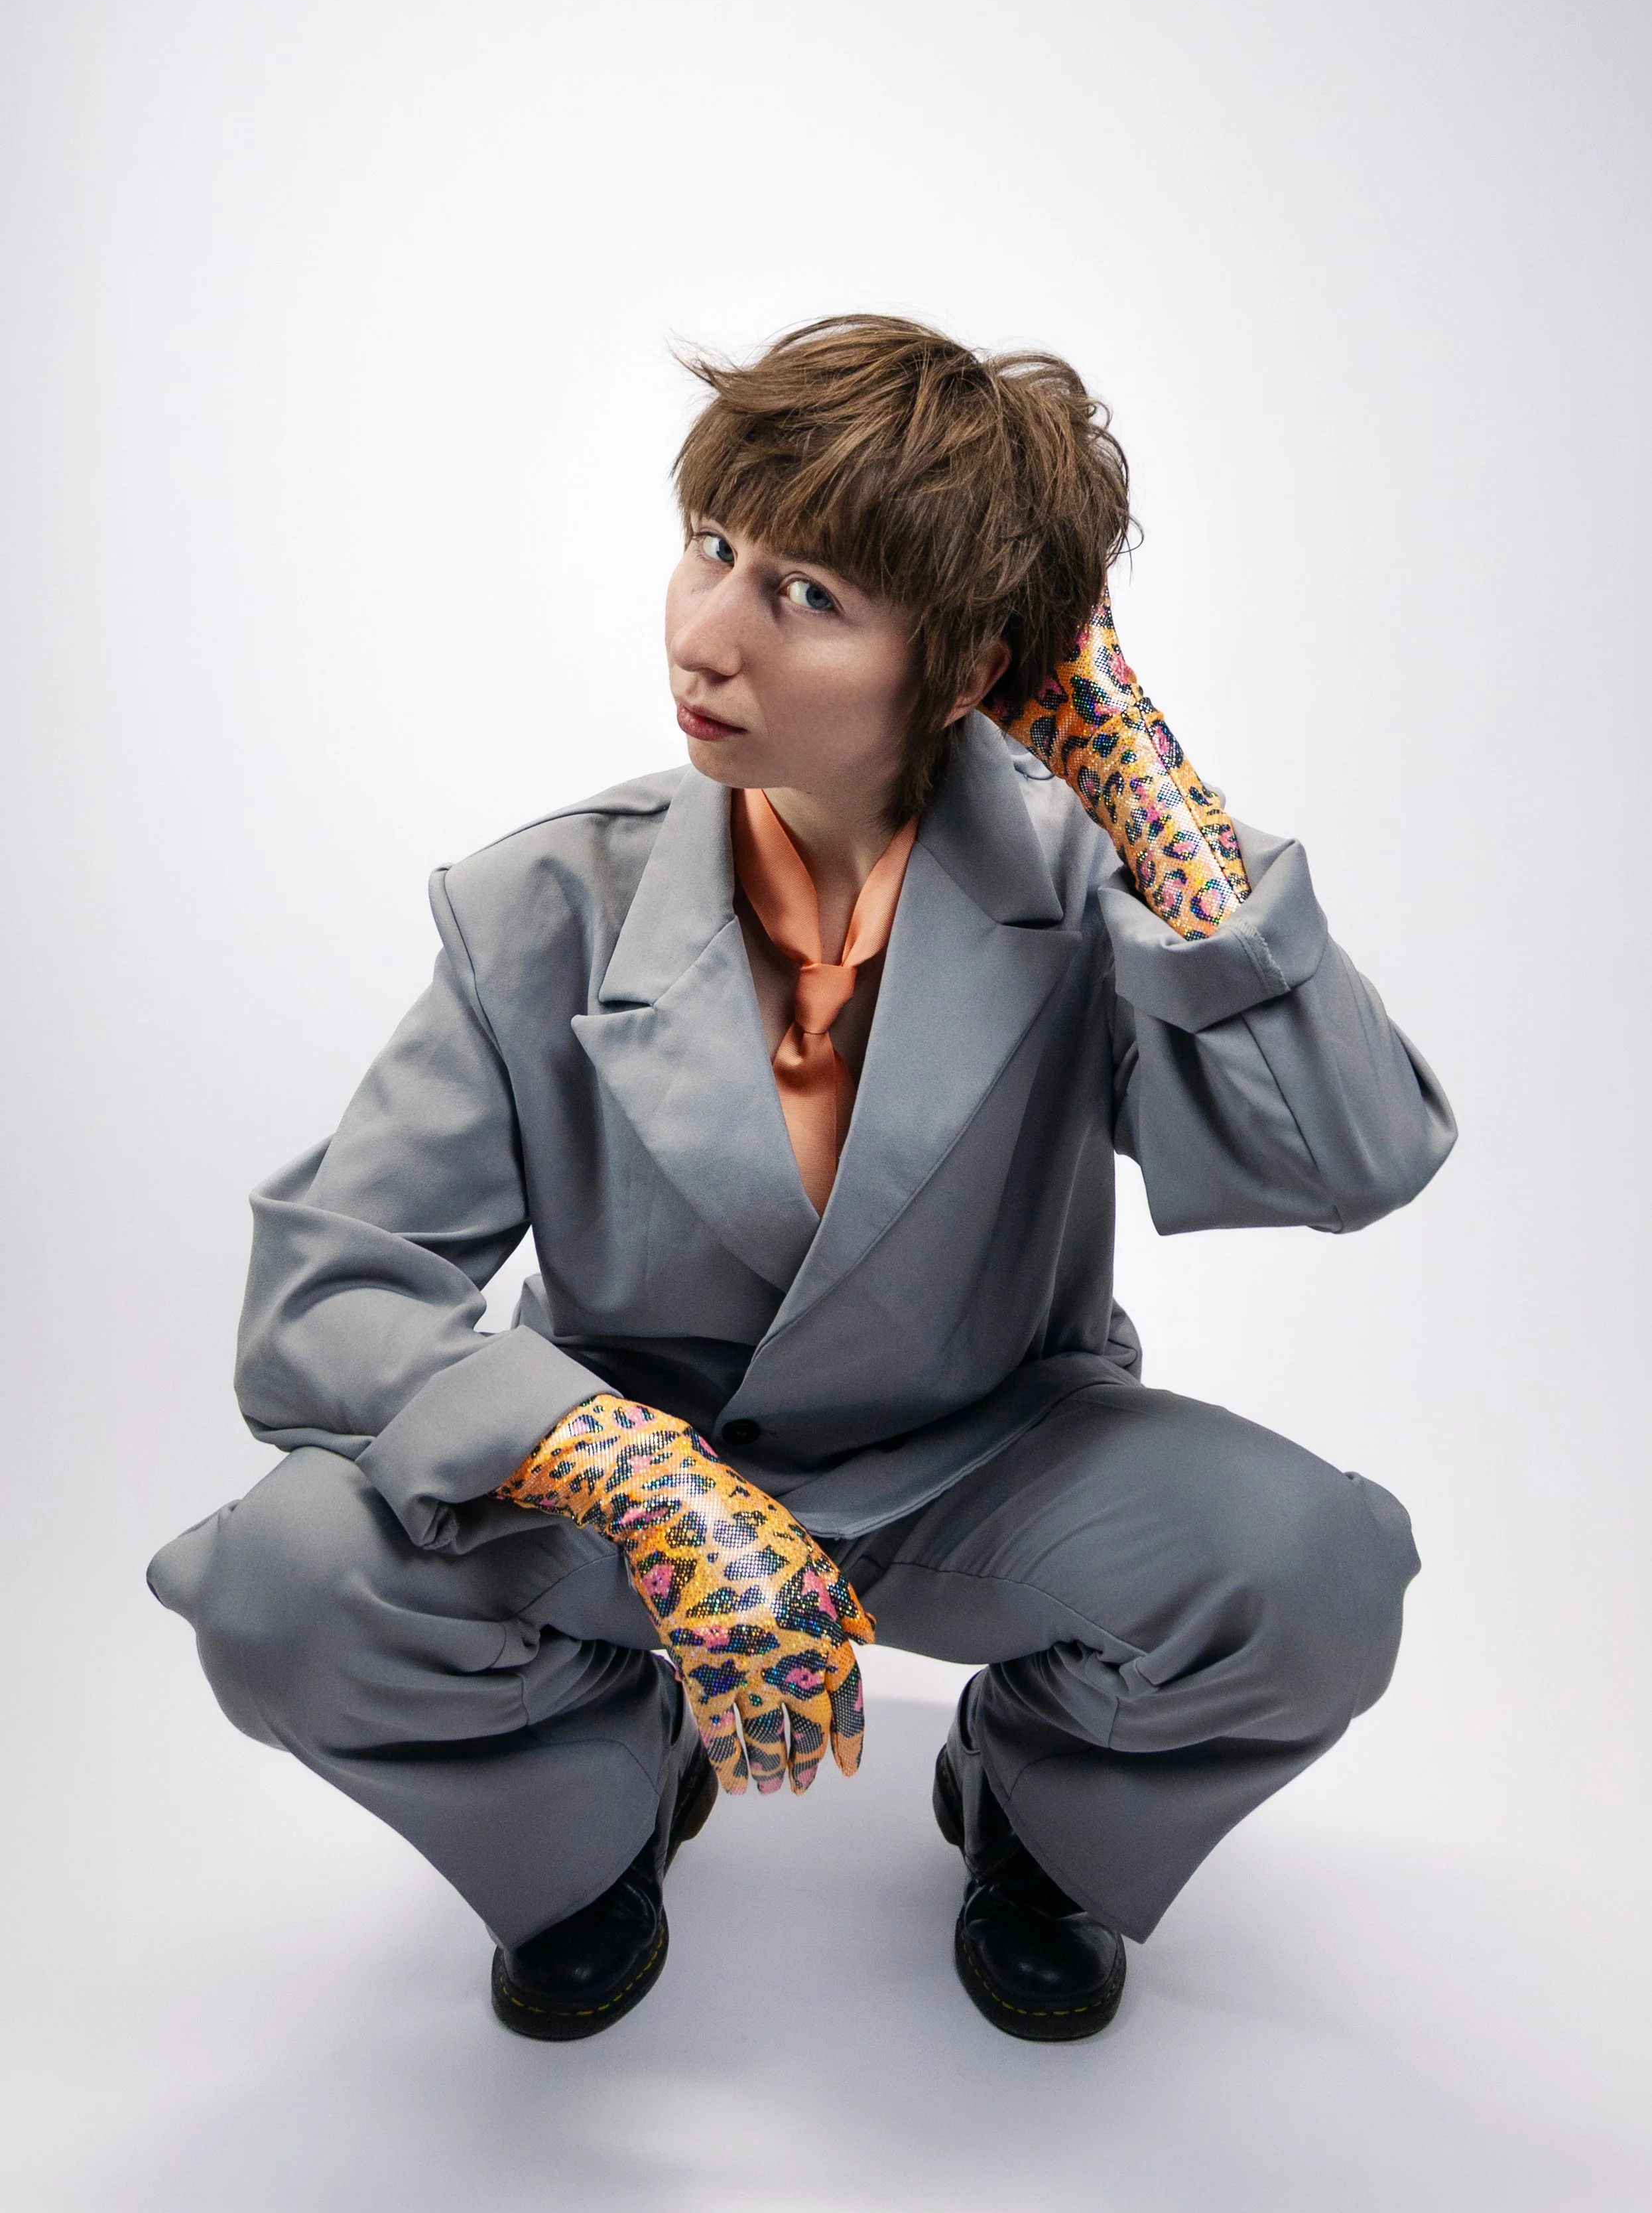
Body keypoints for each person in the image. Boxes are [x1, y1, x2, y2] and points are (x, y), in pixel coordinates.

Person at [149, 316, 1455, 2045]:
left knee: (1315, 1574)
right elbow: (327, 1300)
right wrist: (634, 1481)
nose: (707, 635)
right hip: (634, 1473)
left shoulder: (1095, 882)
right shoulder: (541, 903)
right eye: (712, 550)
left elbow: (1350, 1162)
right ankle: (598, 1806)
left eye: (809, 598)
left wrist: (1157, 802)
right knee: (285, 1585)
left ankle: (1037, 1817)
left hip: (993, 1460)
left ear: (974, 670)